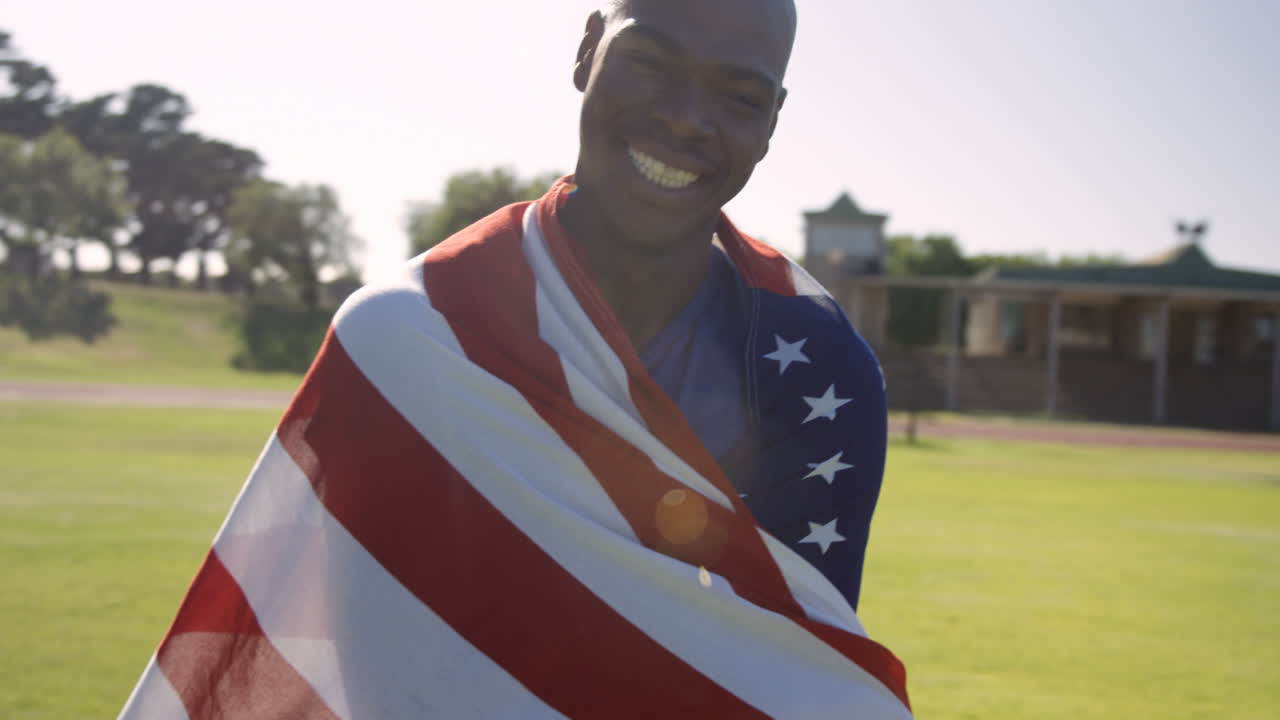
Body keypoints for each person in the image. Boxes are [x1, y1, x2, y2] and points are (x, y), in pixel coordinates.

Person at [120, 1, 911, 717]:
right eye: (651, 63)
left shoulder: (814, 369)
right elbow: (369, 660)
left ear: (772, 122)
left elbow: (789, 676)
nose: (686, 119)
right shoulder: (406, 337)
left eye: (738, 97)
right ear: (586, 51)